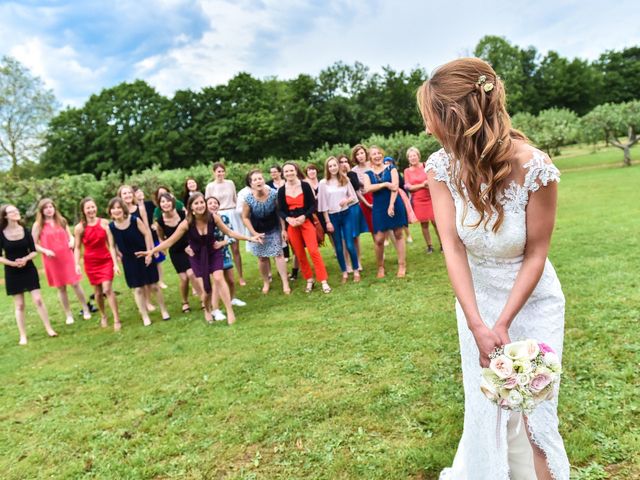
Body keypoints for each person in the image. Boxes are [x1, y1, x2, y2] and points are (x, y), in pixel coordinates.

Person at [418, 57, 570, 480]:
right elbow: (451, 244)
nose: (429, 130)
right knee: (487, 403)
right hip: (476, 299)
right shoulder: (440, 167)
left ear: (458, 116)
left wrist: (504, 321)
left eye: (433, 119)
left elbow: (537, 252)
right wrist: (477, 323)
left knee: (534, 409)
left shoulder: (535, 168)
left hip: (531, 298)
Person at [137, 193, 263, 325]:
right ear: (191, 207)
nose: (200, 205)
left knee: (219, 278)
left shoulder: (213, 218)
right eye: (196, 203)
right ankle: (207, 310)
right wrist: (151, 251)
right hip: (197, 257)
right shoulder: (186, 223)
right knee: (206, 290)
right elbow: (170, 241)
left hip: (213, 252)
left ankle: (229, 311)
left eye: (202, 202)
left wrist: (250, 238)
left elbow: (230, 232)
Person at [0, 204, 58, 345]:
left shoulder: (25, 230)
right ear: (5, 216)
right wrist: (12, 263)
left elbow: (33, 250)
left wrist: (25, 259)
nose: (16, 213)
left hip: (28, 269)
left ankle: (49, 328)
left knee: (38, 300)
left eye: (16, 210)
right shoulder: (1, 234)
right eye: (12, 212)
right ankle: (23, 336)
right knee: (19, 305)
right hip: (12, 272)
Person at [108, 197, 170, 326]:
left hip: (144, 255)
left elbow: (147, 234)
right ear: (110, 211)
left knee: (154, 285)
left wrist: (149, 253)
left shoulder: (134, 220)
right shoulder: (111, 227)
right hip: (129, 261)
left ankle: (164, 310)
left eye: (119, 207)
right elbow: (112, 246)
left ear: (123, 209)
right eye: (113, 208)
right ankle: (144, 316)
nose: (116, 210)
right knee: (138, 289)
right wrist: (115, 264)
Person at [32, 198, 92, 324]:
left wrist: (71, 240)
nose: (49, 209)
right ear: (42, 211)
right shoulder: (38, 225)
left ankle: (86, 308)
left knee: (76, 283)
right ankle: (68, 314)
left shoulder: (61, 220)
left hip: (66, 256)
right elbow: (33, 245)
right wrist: (44, 250)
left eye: (51, 207)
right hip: (52, 259)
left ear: (54, 208)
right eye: (46, 207)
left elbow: (70, 235)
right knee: (61, 287)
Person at [277, 162, 331, 294]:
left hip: (306, 222)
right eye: (286, 171)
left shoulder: (305, 186)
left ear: (296, 171)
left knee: (313, 251)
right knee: (299, 254)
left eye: (291, 170)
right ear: (283, 174)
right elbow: (281, 211)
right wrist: (288, 219)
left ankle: (323, 280)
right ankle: (309, 280)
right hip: (292, 225)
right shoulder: (282, 190)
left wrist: (304, 217)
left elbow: (313, 205)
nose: (289, 173)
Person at [74, 197, 121, 331]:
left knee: (107, 289)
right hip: (91, 262)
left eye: (93, 207)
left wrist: (115, 263)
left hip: (105, 259)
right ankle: (103, 315)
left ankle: (117, 318)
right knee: (98, 292)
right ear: (83, 210)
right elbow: (77, 247)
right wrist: (76, 264)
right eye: (88, 208)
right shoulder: (79, 228)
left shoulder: (104, 223)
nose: (91, 210)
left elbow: (111, 245)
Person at [242, 169, 291, 295]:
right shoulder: (248, 199)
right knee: (262, 258)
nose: (258, 181)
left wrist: (283, 229)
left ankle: (285, 282)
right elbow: (245, 217)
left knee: (279, 254)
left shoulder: (273, 194)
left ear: (263, 180)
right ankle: (266, 282)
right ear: (250, 184)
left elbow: (279, 212)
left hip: (273, 228)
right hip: (257, 230)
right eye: (255, 180)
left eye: (260, 178)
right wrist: (253, 233)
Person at [361, 146, 408, 278]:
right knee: (379, 238)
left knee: (398, 233)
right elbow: (368, 188)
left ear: (382, 155)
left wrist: (392, 205)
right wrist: (384, 184)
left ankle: (402, 265)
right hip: (379, 207)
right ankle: (380, 267)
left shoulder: (391, 168)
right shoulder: (367, 173)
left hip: (394, 203)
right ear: (370, 157)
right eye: (373, 154)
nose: (377, 156)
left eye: (379, 153)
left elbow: (395, 187)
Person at [155, 193, 201, 313]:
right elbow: (161, 237)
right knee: (184, 278)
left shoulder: (183, 214)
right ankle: (185, 302)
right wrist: (163, 248)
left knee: (191, 274)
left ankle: (203, 299)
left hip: (189, 248)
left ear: (172, 202)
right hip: (176, 252)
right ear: (159, 205)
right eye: (162, 202)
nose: (166, 204)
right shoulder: (160, 221)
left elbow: (193, 230)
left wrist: (192, 244)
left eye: (168, 201)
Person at [317, 156, 360, 283]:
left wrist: (346, 200)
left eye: (334, 165)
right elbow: (323, 204)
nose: (333, 168)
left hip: (346, 214)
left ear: (338, 166)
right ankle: (345, 272)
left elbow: (353, 197)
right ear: (327, 168)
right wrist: (327, 222)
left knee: (350, 244)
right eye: (330, 166)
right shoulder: (323, 183)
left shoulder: (345, 179)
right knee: (339, 247)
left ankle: (356, 270)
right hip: (332, 217)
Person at [204, 162, 246, 286]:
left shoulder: (230, 183)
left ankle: (241, 276)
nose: (220, 173)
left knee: (235, 247)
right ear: (214, 172)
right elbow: (208, 203)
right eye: (218, 171)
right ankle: (221, 273)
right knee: (219, 245)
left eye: (222, 171)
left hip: (231, 214)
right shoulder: (210, 186)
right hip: (218, 214)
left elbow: (235, 199)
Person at [206, 196, 247, 321]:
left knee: (230, 280)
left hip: (225, 254)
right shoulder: (205, 221)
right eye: (210, 203)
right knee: (217, 282)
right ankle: (215, 309)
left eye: (215, 203)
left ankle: (232, 298)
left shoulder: (224, 218)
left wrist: (223, 243)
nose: (213, 205)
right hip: (211, 256)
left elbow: (231, 235)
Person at [403, 147, 441, 253]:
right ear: (408, 159)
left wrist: (426, 184)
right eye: (410, 156)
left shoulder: (426, 165)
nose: (412, 158)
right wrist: (422, 185)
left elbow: (434, 179)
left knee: (436, 222)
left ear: (418, 156)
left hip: (431, 198)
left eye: (414, 155)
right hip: (418, 200)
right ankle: (429, 246)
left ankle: (443, 244)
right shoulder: (407, 171)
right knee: (424, 224)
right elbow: (408, 187)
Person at [350, 144, 374, 234]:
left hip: (377, 194)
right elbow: (357, 191)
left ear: (365, 153)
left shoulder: (372, 165)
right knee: (372, 224)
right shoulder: (354, 171)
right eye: (357, 154)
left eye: (361, 153)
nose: (360, 156)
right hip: (365, 198)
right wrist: (367, 203)